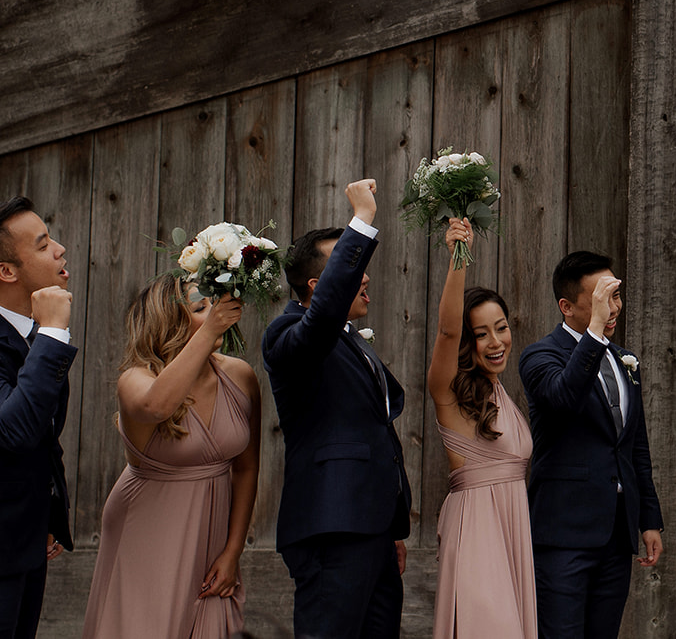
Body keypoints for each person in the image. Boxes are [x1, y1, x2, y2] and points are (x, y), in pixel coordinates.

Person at [263, 179, 413, 639]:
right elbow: (322, 318)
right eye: (352, 268)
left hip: (373, 528)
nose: (365, 276)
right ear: (317, 286)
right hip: (334, 528)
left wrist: (391, 528)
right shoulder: (288, 335)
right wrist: (362, 219)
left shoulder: (349, 339)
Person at [79, 274, 262, 639]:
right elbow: (157, 406)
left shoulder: (240, 376)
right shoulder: (135, 380)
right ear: (170, 323)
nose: (215, 312)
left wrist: (233, 550)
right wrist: (209, 331)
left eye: (214, 304)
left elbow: (246, 468)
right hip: (149, 525)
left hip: (213, 535)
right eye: (200, 308)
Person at [520, 251, 663, 639]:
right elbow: (565, 398)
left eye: (615, 296)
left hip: (616, 534)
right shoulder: (539, 356)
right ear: (566, 306)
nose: (614, 307)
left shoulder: (623, 359)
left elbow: (635, 447)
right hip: (563, 535)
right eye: (602, 299)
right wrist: (596, 331)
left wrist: (648, 519)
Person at [427, 219, 536, 639]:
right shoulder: (449, 393)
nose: (496, 342)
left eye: (502, 328)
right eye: (481, 334)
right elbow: (447, 329)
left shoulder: (499, 392)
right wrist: (460, 257)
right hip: (476, 532)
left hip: (513, 531)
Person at [0, 197, 75, 639]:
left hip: (26, 543)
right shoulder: (46, 332)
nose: (60, 249)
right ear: (7, 271)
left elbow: (46, 438)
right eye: (44, 244)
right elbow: (14, 429)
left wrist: (46, 517)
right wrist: (51, 333)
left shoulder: (30, 333)